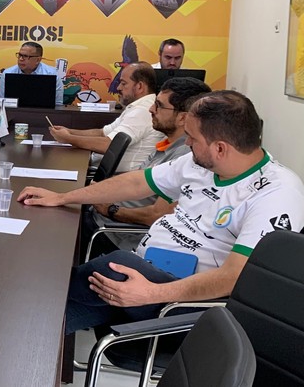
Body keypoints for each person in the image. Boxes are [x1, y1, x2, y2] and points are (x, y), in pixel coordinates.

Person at [18, 90, 304, 335]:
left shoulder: (276, 193)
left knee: (116, 266)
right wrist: (62, 197)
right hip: (146, 280)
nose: (186, 144)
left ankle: (27, 289)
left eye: (192, 138)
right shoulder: (199, 164)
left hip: (186, 304)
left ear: (220, 148)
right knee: (41, 322)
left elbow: (235, 277)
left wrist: (151, 293)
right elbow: (136, 183)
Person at [82, 77, 212, 255]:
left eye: (159, 105)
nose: (151, 109)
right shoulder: (166, 145)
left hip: (117, 233)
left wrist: (111, 209)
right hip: (101, 217)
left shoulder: (186, 155)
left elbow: (158, 215)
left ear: (183, 118)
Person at [50, 63, 164, 173]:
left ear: (139, 87)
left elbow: (110, 145)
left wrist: (68, 138)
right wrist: (69, 131)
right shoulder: (137, 107)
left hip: (118, 177)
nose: (118, 87)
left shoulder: (142, 111)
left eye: (123, 83)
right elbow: (102, 133)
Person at [0, 42, 63, 106]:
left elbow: (58, 104)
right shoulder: (8, 73)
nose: (21, 59)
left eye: (25, 56)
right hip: (13, 113)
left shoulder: (51, 74)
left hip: (45, 113)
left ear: (38, 60)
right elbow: (2, 102)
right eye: (20, 55)